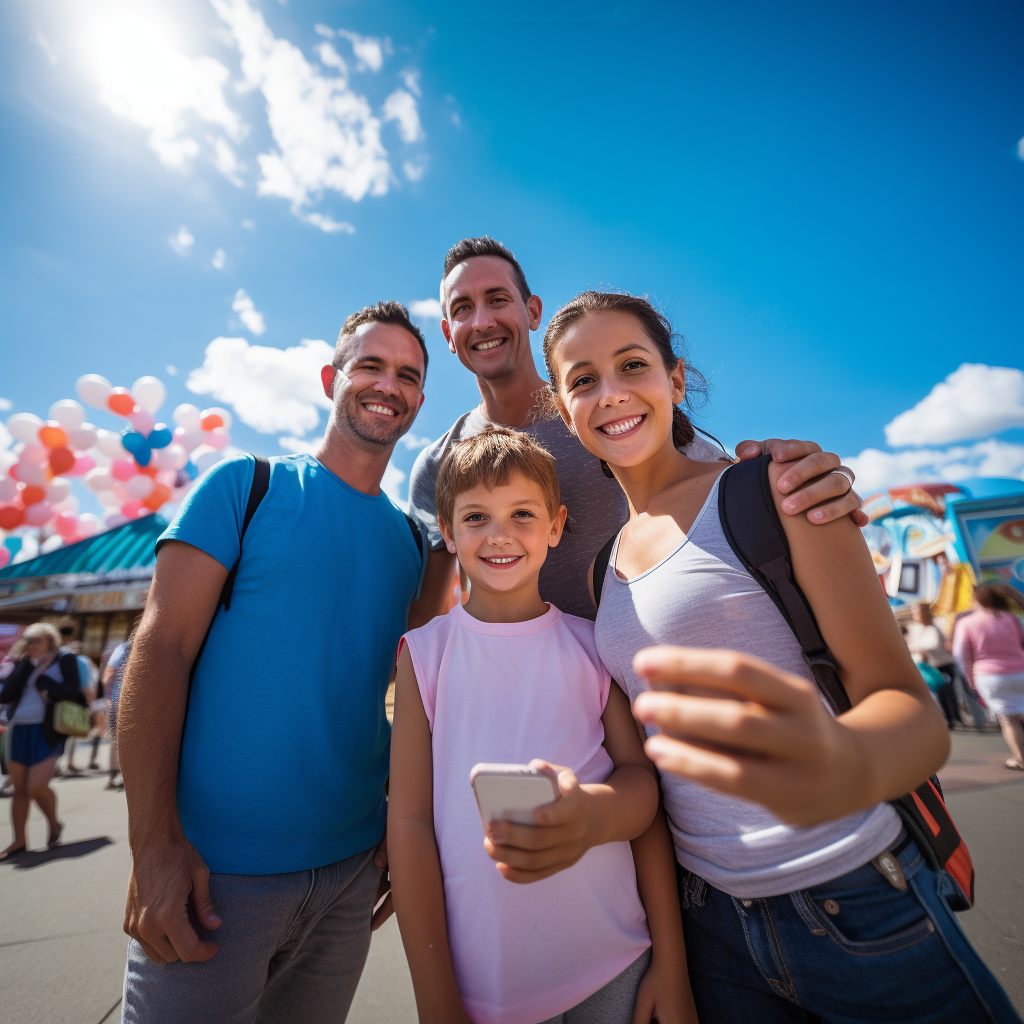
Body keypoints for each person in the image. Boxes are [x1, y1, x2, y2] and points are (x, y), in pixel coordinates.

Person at [530, 290, 1020, 1023]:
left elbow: (914, 716)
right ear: (564, 412)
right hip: (713, 925)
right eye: (583, 380)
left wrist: (841, 761)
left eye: (633, 364)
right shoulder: (602, 571)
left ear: (675, 379)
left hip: (857, 899)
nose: (612, 393)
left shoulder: (772, 491)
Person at [117, 301, 430, 1024]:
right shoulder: (244, 486)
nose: (389, 385)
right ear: (332, 377)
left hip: (352, 873)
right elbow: (159, 652)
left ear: (419, 399)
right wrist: (153, 842)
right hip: (213, 878)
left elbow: (403, 695)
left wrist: (395, 824)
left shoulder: (413, 545)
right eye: (371, 365)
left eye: (408, 375)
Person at [389, 427, 695, 1023]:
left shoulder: (592, 643)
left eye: (522, 513)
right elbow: (408, 824)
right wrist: (435, 999)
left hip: (618, 964)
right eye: (475, 517)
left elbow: (644, 794)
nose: (500, 535)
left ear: (555, 526)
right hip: (485, 987)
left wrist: (673, 965)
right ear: (447, 533)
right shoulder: (423, 654)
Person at [408, 237, 866, 625]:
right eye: (464, 308)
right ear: (448, 333)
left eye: (497, 299)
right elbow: (432, 612)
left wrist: (796, 482)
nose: (483, 320)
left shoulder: (605, 418)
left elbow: (721, 486)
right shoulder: (438, 465)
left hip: (628, 673)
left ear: (532, 311)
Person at [0, 622, 86, 859]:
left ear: (50, 641)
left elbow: (72, 691)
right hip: (18, 728)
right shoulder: (24, 663)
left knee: (35, 786)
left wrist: (44, 683)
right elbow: (6, 695)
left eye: (36, 640)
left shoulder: (64, 659)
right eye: (27, 640)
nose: (31, 645)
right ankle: (18, 841)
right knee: (19, 790)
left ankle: (54, 824)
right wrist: (18, 663)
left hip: (48, 728)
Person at [953, 584, 1024, 771]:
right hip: (1020, 671)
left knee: (1009, 720)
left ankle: (1020, 759)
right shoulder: (1011, 618)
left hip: (990, 676)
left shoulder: (967, 623)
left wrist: (970, 679)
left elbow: (961, 656)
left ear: (978, 600)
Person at [905, 602, 959, 728]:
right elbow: (910, 644)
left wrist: (920, 649)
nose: (916, 615)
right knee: (933, 693)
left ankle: (953, 718)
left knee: (946, 692)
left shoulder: (936, 625)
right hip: (926, 666)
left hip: (942, 664)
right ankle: (941, 719)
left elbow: (935, 644)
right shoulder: (913, 627)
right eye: (914, 612)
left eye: (918, 612)